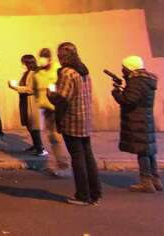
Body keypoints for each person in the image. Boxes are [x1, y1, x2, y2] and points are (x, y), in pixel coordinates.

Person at [49, 41, 101, 206]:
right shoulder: (83, 70)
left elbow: (63, 97)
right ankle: (95, 193)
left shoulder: (67, 73)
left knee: (77, 158)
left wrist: (50, 93)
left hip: (72, 119)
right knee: (88, 157)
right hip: (85, 119)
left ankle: (82, 195)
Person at [112, 55, 161, 193]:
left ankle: (146, 182)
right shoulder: (146, 80)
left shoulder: (137, 81)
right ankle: (155, 180)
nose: (123, 71)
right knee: (149, 151)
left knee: (142, 151)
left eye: (124, 68)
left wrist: (116, 93)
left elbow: (129, 100)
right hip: (145, 118)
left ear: (130, 68)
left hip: (137, 120)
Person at [35, 47, 69, 176]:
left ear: (49, 59)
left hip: (56, 108)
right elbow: (34, 88)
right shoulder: (38, 72)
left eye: (44, 58)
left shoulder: (57, 70)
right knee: (50, 137)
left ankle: (63, 164)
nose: (42, 62)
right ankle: (56, 163)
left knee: (56, 137)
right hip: (45, 108)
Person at [8, 54, 44, 156]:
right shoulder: (27, 73)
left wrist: (15, 87)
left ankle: (40, 148)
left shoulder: (33, 74)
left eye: (23, 62)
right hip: (25, 101)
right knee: (29, 125)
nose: (22, 65)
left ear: (27, 63)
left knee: (34, 126)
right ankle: (35, 145)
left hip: (32, 103)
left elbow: (30, 89)